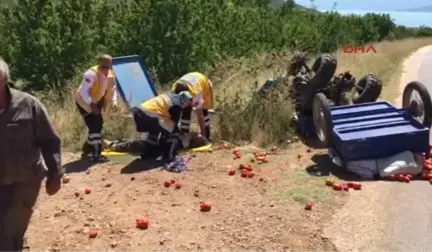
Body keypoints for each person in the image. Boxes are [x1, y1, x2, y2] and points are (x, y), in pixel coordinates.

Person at [0, 57, 63, 251]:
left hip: (26, 180)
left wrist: (55, 174)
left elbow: (50, 140)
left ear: (4, 81)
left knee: (11, 230)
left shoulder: (28, 105)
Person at [75, 54, 117, 162]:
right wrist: (91, 105)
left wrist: (114, 102)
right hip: (83, 101)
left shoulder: (111, 75)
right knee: (95, 124)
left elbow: (112, 89)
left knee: (98, 123)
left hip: (97, 100)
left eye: (108, 67)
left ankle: (87, 148)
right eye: (104, 66)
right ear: (99, 64)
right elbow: (83, 92)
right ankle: (96, 154)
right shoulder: (91, 74)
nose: (106, 69)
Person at [131, 91, 193, 161]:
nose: (187, 106)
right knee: (173, 132)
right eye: (187, 104)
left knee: (155, 131)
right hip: (150, 115)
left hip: (138, 112)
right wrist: (182, 138)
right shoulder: (177, 105)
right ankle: (169, 156)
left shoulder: (170, 96)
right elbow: (174, 126)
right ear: (184, 101)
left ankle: (150, 154)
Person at [171, 72, 214, 141]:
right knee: (186, 112)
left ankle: (207, 137)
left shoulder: (197, 94)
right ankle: (184, 136)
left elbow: (200, 117)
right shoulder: (174, 92)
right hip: (189, 81)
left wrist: (203, 138)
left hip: (201, 81)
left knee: (204, 110)